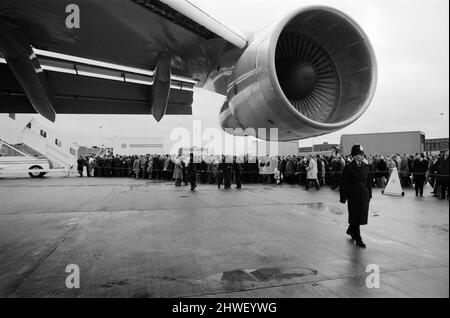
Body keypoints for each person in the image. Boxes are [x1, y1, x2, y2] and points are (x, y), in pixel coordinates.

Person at [340, 144, 372, 248]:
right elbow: (344, 183)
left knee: (360, 216)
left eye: (362, 154)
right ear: (354, 156)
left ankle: (350, 230)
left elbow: (369, 183)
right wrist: (343, 197)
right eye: (359, 154)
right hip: (353, 196)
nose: (362, 156)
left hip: (363, 196)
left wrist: (369, 195)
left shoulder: (366, 167)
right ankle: (358, 239)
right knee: (355, 216)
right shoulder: (348, 168)